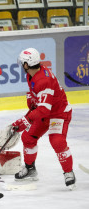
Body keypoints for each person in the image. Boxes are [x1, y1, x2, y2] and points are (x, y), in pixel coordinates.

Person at [11, 48, 76, 190]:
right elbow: (40, 103)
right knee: (28, 137)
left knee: (57, 141)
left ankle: (68, 172)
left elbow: (43, 110)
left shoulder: (43, 80)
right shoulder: (32, 74)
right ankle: (30, 169)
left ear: (27, 65)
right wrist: (32, 99)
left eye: (22, 63)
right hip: (46, 112)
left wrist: (25, 120)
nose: (21, 66)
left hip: (58, 113)